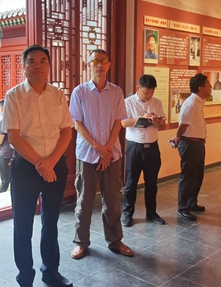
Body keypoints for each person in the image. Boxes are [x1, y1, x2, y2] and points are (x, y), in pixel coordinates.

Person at [3, 45, 75, 287]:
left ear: (49, 66)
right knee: (23, 226)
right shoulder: (14, 96)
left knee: (51, 221)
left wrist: (51, 162)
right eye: (32, 61)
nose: (38, 66)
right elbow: (14, 136)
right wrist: (40, 164)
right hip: (25, 168)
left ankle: (51, 271)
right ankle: (25, 281)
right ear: (24, 66)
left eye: (43, 61)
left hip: (55, 165)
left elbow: (66, 131)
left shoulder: (57, 95)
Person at [69, 49, 134, 260]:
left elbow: (118, 122)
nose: (99, 64)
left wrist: (107, 151)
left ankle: (115, 240)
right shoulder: (79, 92)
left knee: (113, 200)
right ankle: (81, 242)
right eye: (95, 61)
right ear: (89, 65)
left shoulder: (116, 92)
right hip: (87, 154)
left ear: (109, 65)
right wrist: (97, 147)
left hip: (111, 154)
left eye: (103, 61)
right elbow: (77, 124)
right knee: (84, 200)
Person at [121, 74, 167, 227]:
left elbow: (163, 125)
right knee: (131, 183)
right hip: (135, 147)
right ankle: (127, 213)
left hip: (152, 147)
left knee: (152, 183)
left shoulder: (157, 102)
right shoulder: (128, 102)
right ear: (138, 88)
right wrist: (142, 118)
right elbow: (123, 123)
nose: (149, 95)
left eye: (152, 92)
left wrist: (157, 121)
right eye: (146, 92)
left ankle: (151, 213)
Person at [170, 73, 211, 221]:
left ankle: (192, 203)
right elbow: (183, 126)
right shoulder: (191, 103)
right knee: (188, 176)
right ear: (201, 88)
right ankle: (183, 207)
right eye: (208, 85)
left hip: (198, 143)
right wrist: (177, 137)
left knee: (198, 175)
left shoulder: (198, 102)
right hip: (190, 144)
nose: (211, 87)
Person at [0, 99, 14, 192]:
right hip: (15, 153)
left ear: (2, 109)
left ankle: (1, 195)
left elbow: (0, 137)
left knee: (5, 179)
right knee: (14, 178)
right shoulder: (16, 119)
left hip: (6, 153)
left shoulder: (4, 121)